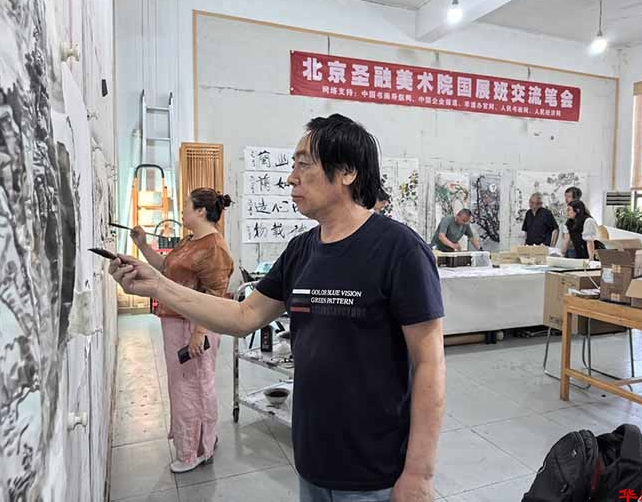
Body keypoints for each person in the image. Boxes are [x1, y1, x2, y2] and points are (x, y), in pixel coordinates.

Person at [110, 114, 445, 502]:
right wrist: (158, 285)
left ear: (347, 172)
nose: (290, 178)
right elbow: (243, 316)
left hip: (377, 472)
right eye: (292, 165)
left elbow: (430, 362)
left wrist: (419, 473)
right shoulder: (301, 250)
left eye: (304, 164)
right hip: (312, 461)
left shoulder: (400, 250)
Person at [130, 188, 234, 473]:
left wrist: (199, 333)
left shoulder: (213, 247)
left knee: (192, 388)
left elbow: (215, 294)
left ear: (200, 211)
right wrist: (143, 245)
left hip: (193, 326)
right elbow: (166, 268)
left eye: (186, 205)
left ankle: (194, 451)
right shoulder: (191, 241)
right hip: (178, 323)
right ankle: (203, 440)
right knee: (186, 386)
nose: (182, 210)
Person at [560, 186, 582, 256]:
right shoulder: (568, 209)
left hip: (575, 248)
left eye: (569, 196)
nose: (566, 199)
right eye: (565, 196)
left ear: (576, 198)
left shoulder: (580, 211)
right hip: (569, 246)